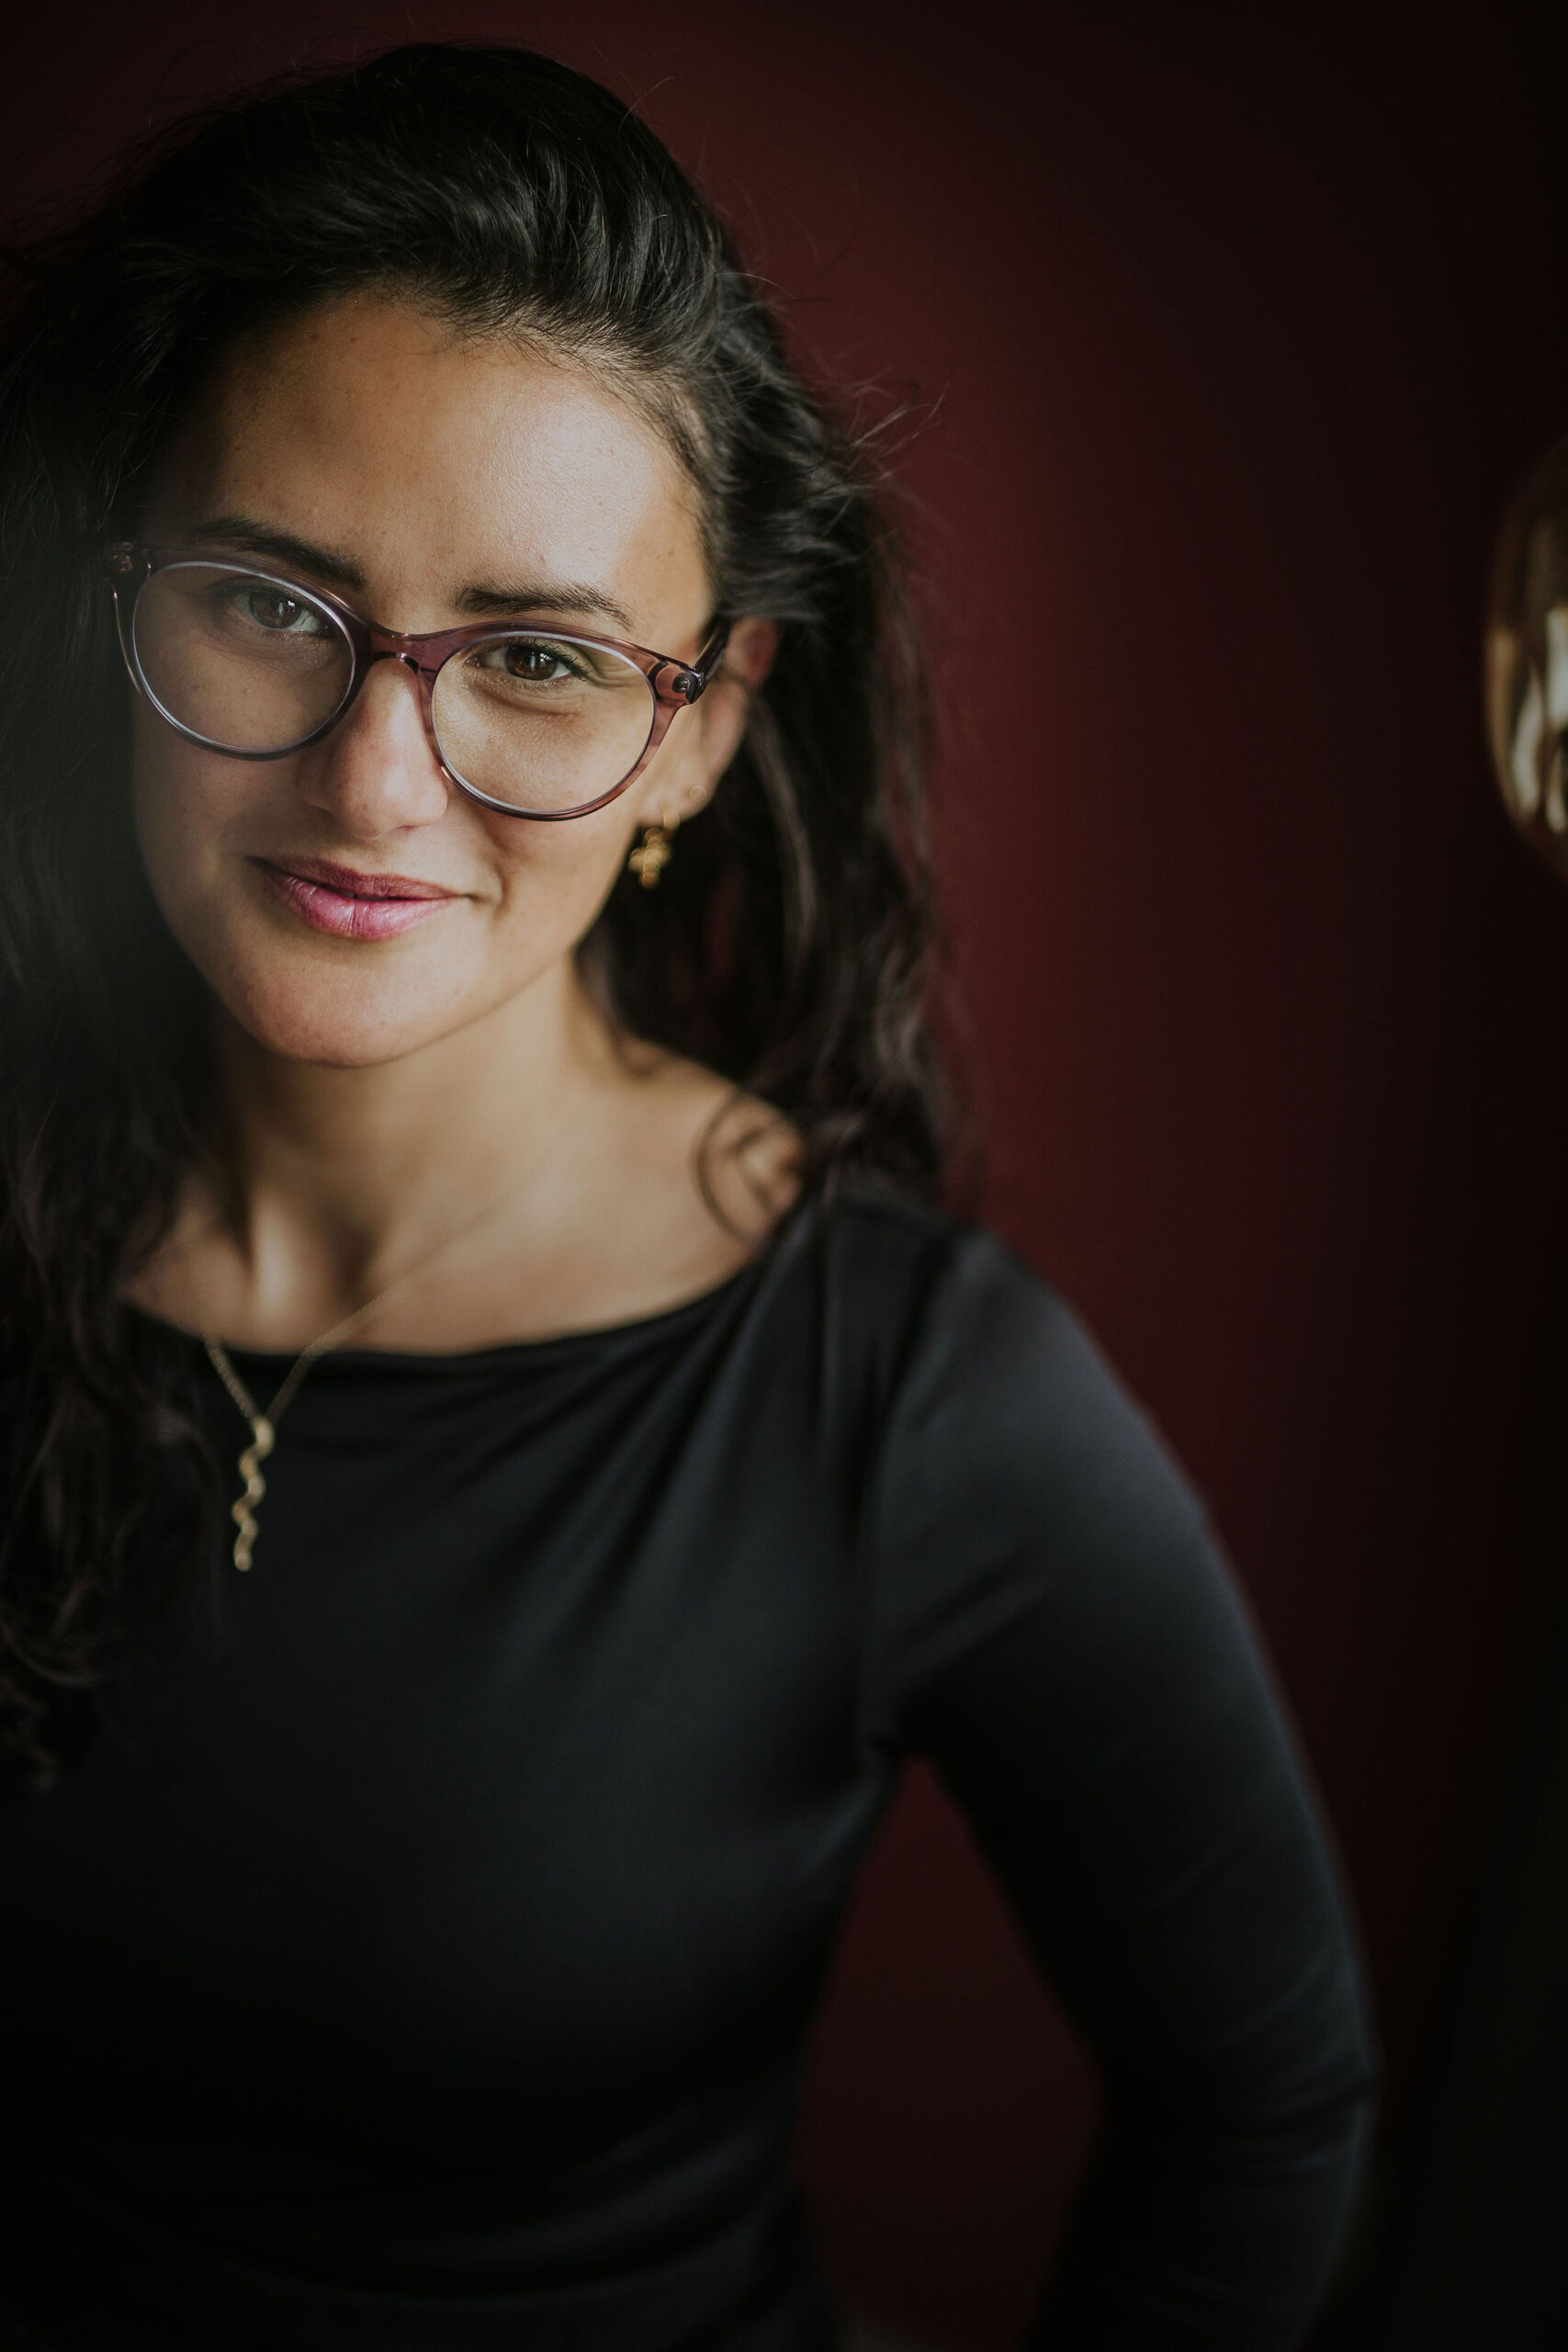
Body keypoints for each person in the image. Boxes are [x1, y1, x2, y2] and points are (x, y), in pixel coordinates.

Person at [0, 43, 1375, 2352]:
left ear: (705, 724)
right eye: (266, 599)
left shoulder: (911, 1394)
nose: (370, 778)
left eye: (533, 658)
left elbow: (1262, 2102)